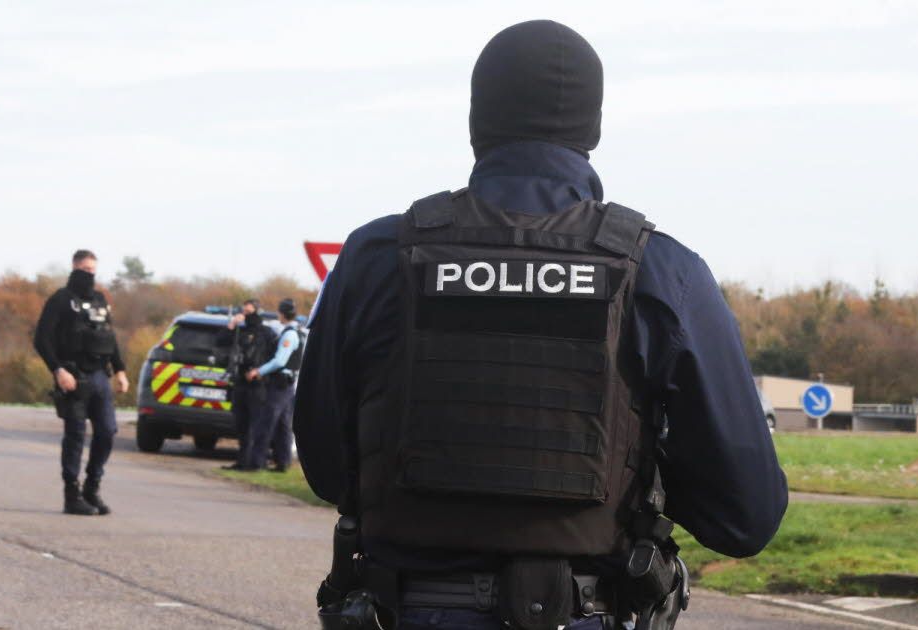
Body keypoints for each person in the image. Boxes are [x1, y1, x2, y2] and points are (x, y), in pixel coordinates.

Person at [294, 20, 787, 630]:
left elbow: (323, 464)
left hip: (404, 607)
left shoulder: (377, 256)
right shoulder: (660, 271)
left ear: (476, 122)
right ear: (593, 129)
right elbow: (747, 516)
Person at [33, 249, 128, 516]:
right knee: (75, 435)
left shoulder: (99, 300)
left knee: (107, 431)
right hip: (73, 376)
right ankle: (71, 494)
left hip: (99, 375)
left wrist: (120, 370)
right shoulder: (61, 300)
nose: (88, 275)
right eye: (84, 270)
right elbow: (41, 340)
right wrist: (58, 370)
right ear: (74, 267)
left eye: (92, 271)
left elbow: (109, 338)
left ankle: (92, 487)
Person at [240, 298, 304, 472]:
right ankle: (283, 462)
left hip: (280, 385)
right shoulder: (296, 330)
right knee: (283, 425)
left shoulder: (290, 333)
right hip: (287, 385)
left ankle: (256, 462)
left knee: (266, 423)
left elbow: (280, 361)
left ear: (281, 313)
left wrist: (258, 371)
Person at [220, 298, 277, 472]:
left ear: (257, 312)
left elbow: (275, 357)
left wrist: (261, 372)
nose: (245, 315)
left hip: (258, 385)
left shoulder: (267, 333)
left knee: (256, 425)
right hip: (240, 383)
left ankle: (254, 462)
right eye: (243, 311)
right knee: (241, 424)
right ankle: (242, 461)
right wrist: (232, 325)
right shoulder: (239, 330)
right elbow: (220, 341)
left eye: (248, 312)